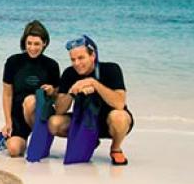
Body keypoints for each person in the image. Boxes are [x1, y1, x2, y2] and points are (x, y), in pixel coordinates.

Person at [48, 35, 133, 165]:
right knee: (54, 123)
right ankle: (90, 141)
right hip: (84, 121)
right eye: (73, 59)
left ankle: (115, 149)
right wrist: (72, 91)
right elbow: (59, 110)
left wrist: (93, 83)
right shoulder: (69, 73)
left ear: (92, 56)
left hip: (110, 122)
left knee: (119, 117)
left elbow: (120, 103)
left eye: (81, 58)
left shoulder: (111, 69)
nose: (77, 63)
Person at [1, 20, 60, 156]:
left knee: (30, 101)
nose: (32, 48)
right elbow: (7, 94)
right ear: (24, 43)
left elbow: (58, 98)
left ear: (44, 43)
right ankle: (9, 139)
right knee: (14, 151)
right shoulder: (13, 62)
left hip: (40, 114)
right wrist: (8, 122)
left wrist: (52, 91)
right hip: (18, 115)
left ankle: (39, 138)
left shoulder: (51, 65)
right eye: (29, 43)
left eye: (37, 44)